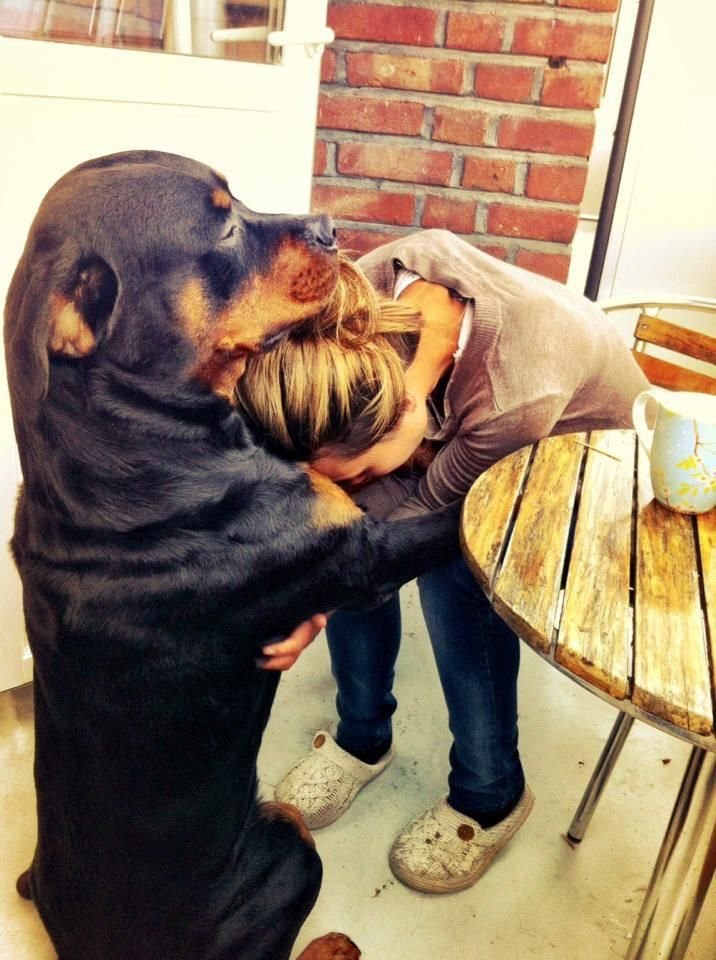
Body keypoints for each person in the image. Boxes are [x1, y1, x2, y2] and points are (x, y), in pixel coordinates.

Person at [240, 229, 649, 895]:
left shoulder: (515, 389)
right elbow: (350, 510)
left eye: (366, 467)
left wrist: (309, 601)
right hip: (459, 433)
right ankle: (363, 735)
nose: (356, 481)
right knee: (348, 530)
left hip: (587, 486)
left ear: (403, 419)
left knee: (454, 577)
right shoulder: (372, 290)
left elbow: (404, 530)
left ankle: (492, 791)